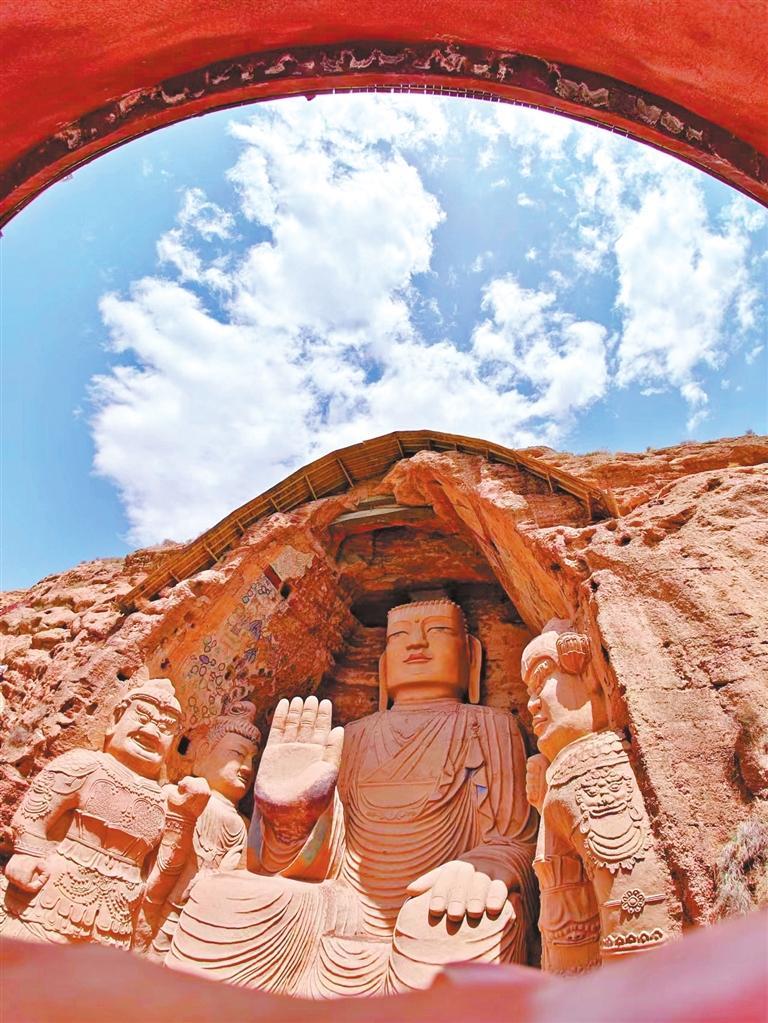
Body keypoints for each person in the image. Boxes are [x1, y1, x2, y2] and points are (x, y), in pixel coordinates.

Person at [167, 600, 537, 996]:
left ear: (471, 656)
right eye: (400, 636)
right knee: (228, 895)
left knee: (460, 919)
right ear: (384, 665)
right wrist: (290, 819)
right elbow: (321, 863)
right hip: (341, 906)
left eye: (437, 631)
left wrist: (481, 867)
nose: (417, 644)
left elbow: (512, 838)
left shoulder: (489, 727)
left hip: (434, 901)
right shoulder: (353, 736)